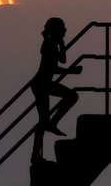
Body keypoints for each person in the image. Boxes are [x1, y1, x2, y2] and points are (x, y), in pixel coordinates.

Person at [30, 17, 82, 163]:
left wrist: (62, 44)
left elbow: (63, 60)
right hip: (41, 84)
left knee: (45, 119)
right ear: (56, 30)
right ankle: (36, 155)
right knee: (44, 120)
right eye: (62, 28)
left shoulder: (53, 44)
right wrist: (71, 72)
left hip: (45, 83)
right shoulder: (48, 44)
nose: (65, 30)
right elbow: (52, 67)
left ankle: (50, 126)